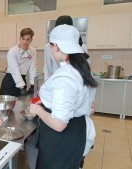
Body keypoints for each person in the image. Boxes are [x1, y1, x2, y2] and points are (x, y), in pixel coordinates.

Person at [28, 25, 97, 169]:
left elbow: (59, 124)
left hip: (61, 140)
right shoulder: (80, 68)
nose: (51, 50)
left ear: (57, 47)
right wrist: (48, 101)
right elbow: (90, 106)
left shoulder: (65, 78)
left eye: (51, 46)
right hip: (76, 133)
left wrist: (38, 110)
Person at [44, 15, 89, 81]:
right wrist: (47, 85)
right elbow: (47, 68)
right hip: (56, 80)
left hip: (74, 79)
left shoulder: (81, 47)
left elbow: (85, 67)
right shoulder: (49, 47)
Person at [0, 28, 37, 97]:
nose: (25, 42)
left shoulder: (33, 51)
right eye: (23, 39)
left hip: (22, 79)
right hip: (10, 81)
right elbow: (14, 70)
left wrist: (33, 84)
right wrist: (21, 87)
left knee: (21, 105)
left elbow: (33, 67)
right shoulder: (12, 51)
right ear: (19, 38)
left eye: (28, 39)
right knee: (7, 106)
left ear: (31, 40)